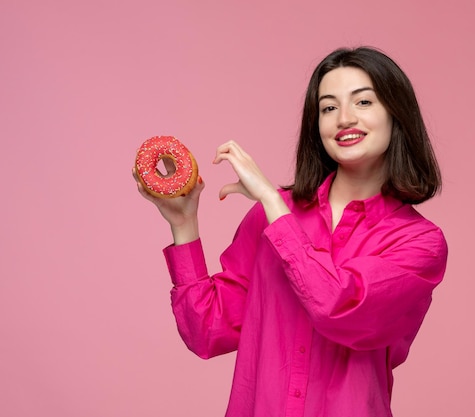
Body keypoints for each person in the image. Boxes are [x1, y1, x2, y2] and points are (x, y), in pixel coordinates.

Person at [134, 46, 448, 417]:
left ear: (398, 115)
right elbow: (208, 331)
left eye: (363, 102)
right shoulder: (270, 216)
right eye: (329, 108)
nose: (344, 118)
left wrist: (271, 200)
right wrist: (183, 224)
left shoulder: (420, 243)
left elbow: (341, 308)